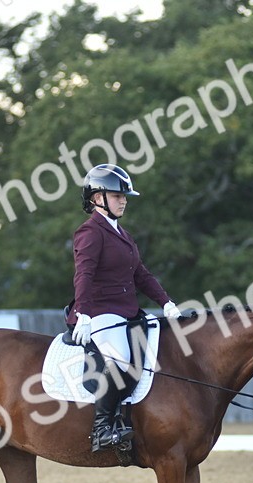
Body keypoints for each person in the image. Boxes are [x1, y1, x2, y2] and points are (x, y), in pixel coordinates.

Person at [67, 164, 181, 452]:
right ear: (97, 198)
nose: (124, 200)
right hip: (99, 312)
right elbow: (84, 275)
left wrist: (165, 302)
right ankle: (102, 428)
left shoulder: (122, 234)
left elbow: (140, 274)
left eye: (124, 195)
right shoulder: (90, 232)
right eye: (117, 195)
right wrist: (83, 314)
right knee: (119, 361)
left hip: (126, 312)